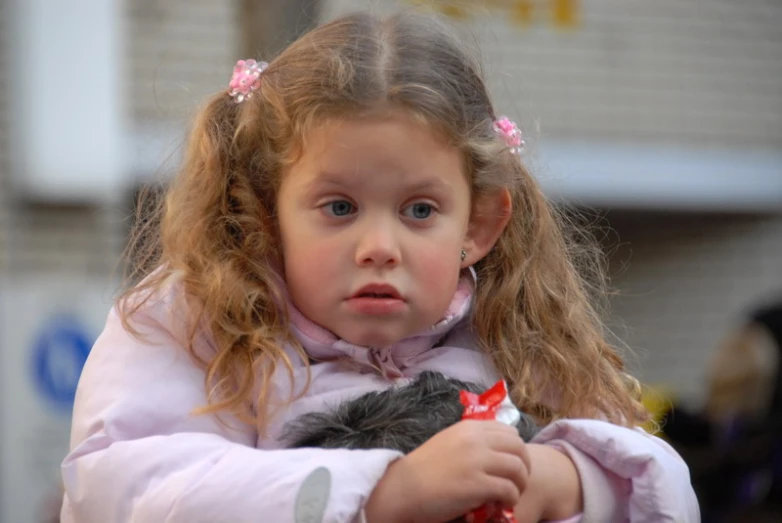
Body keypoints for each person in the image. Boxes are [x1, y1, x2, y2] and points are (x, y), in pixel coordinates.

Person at [60, 11, 699, 523]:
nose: (379, 246)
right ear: (263, 209)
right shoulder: (193, 320)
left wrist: (565, 480)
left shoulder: (517, 331)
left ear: (476, 227)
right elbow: (121, 487)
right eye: (339, 207)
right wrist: (383, 493)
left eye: (420, 210)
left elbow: (662, 480)